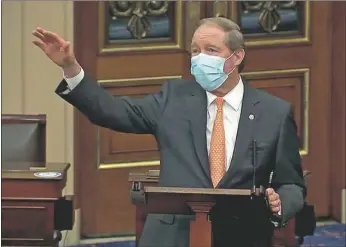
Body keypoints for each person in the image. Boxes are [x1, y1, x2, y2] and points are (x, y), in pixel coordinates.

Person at [33, 17, 305, 247]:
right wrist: (70, 67)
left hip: (243, 236)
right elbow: (112, 111)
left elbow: (292, 183)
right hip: (172, 235)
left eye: (211, 50)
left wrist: (280, 202)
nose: (200, 58)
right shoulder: (172, 98)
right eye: (195, 51)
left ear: (237, 57)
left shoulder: (274, 112)